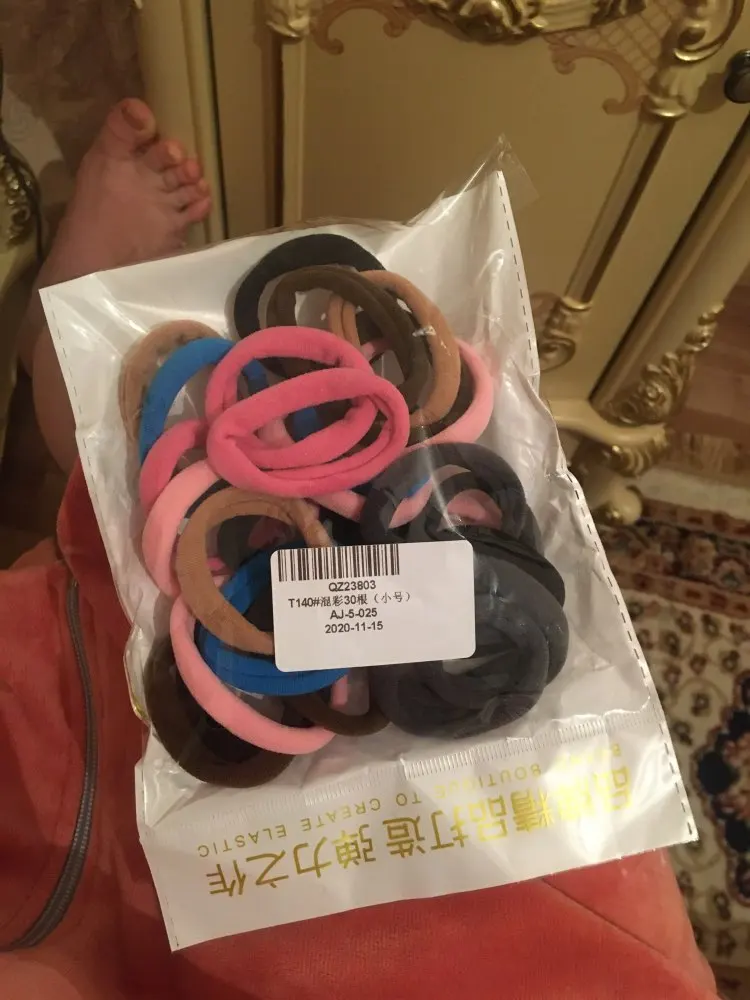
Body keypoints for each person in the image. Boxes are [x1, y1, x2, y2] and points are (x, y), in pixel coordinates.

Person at [0, 99, 719, 999]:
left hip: (93, 766)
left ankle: (62, 346)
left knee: (113, 515)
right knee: (129, 476)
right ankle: (69, 343)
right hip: (535, 876)